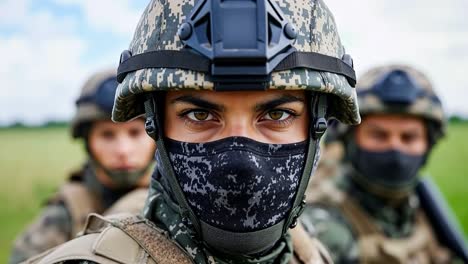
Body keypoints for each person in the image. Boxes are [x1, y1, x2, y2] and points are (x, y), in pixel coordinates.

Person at [22, 0, 361, 263]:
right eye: (200, 114)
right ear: (156, 123)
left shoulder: (310, 254)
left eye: (277, 113)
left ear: (317, 127)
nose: (242, 160)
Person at [301, 64, 465, 263]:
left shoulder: (416, 204)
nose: (395, 149)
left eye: (409, 137)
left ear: (427, 145)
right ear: (350, 140)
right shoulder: (321, 224)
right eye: (378, 135)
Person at [10, 68, 156, 264]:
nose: (123, 150)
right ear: (88, 142)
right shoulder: (63, 215)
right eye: (107, 135)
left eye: (135, 133)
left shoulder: (176, 200)